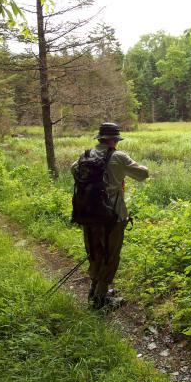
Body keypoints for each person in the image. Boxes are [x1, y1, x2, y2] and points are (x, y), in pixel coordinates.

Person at [71, 122, 149, 309]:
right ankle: (100, 299)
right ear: (114, 140)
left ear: (100, 139)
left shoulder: (85, 155)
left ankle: (95, 289)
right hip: (113, 216)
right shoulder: (118, 156)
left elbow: (73, 169)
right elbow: (143, 174)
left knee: (94, 251)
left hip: (88, 213)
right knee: (110, 255)